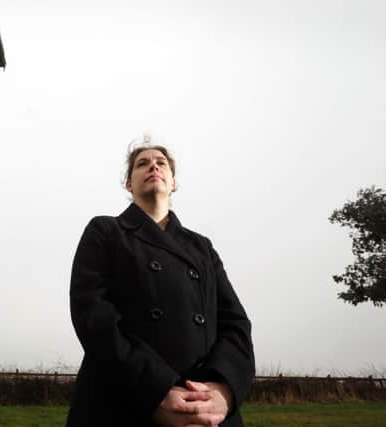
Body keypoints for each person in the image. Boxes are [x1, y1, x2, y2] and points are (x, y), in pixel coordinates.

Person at [66, 142, 255, 427]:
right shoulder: (105, 231)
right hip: (122, 401)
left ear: (174, 182)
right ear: (129, 184)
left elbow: (235, 323)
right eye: (142, 163)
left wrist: (222, 391)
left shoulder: (201, 247)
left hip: (204, 410)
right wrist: (154, 392)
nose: (153, 165)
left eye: (161, 162)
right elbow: (93, 316)